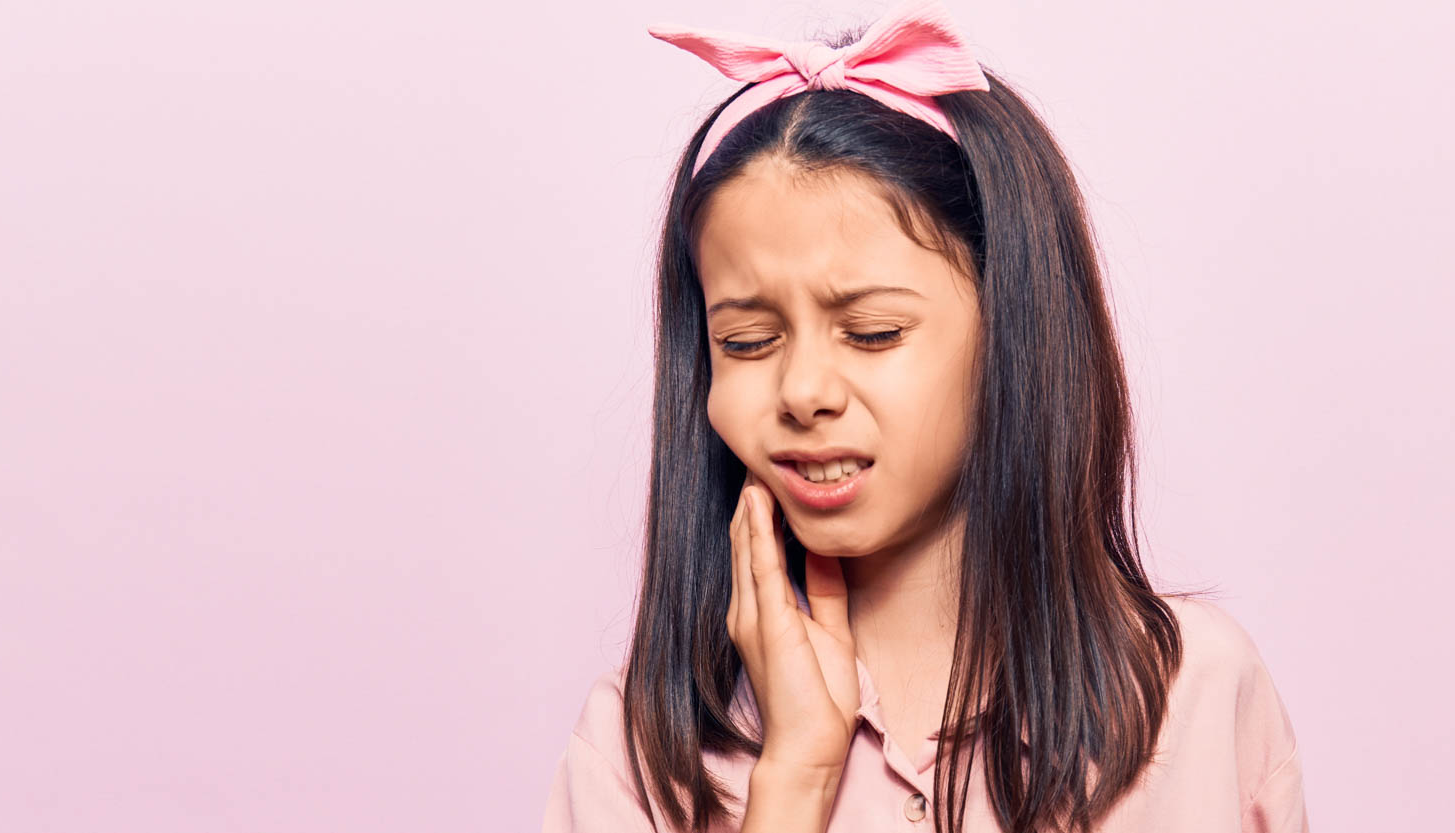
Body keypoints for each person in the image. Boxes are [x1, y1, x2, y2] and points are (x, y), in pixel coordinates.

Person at [543, 1, 1306, 830]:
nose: (804, 391)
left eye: (872, 333)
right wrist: (794, 778)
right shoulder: (634, 753)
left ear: (1008, 330)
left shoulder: (1194, 695)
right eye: (750, 340)